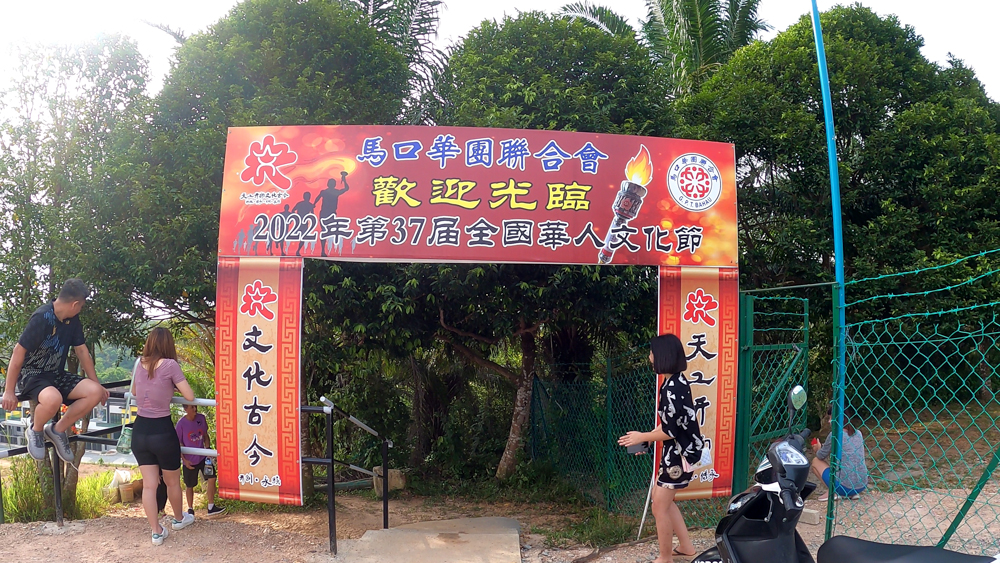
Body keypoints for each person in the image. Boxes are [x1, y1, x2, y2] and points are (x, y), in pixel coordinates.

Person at [1, 279, 110, 463]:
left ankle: (57, 430)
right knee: (53, 399)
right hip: (32, 374)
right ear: (75, 304)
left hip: (55, 374)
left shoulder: (72, 320)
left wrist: (97, 383)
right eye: (81, 306)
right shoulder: (42, 317)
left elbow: (81, 350)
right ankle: (36, 430)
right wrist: (9, 391)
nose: (80, 310)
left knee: (94, 392)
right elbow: (18, 352)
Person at [618, 334, 704, 563]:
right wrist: (646, 441)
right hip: (675, 452)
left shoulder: (672, 387)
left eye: (652, 353)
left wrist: (642, 436)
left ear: (663, 357)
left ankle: (665, 557)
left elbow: (671, 430)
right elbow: (669, 423)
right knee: (661, 499)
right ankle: (685, 547)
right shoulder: (673, 382)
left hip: (679, 455)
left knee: (659, 507)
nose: (649, 358)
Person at [131, 327, 196, 545]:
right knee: (172, 482)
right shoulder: (170, 365)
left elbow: (133, 392)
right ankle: (178, 519)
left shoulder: (139, 363)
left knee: (149, 485)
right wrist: (171, 386)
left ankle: (156, 532)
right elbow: (189, 395)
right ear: (168, 344)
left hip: (140, 431)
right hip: (162, 431)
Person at [811, 405, 868, 501]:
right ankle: (852, 494)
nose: (829, 421)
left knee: (815, 461)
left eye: (831, 418)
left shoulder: (834, 434)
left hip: (844, 485)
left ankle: (832, 492)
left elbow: (821, 456)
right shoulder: (858, 433)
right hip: (861, 484)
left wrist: (818, 448)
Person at [177, 404, 225, 517]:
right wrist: (184, 459)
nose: (195, 409)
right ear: (185, 409)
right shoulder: (181, 424)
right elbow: (178, 443)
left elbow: (205, 435)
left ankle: (211, 506)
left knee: (212, 478)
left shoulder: (201, 418)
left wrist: (207, 451)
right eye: (191, 407)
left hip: (203, 457)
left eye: (195, 406)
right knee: (190, 485)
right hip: (189, 460)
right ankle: (190, 508)